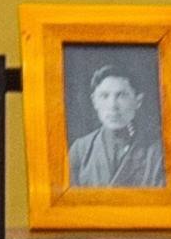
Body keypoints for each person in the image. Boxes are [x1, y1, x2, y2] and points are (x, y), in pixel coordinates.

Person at [67, 60, 164, 188]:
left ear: (138, 101)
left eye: (122, 95)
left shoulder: (157, 151)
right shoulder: (80, 150)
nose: (112, 106)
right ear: (94, 101)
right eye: (104, 96)